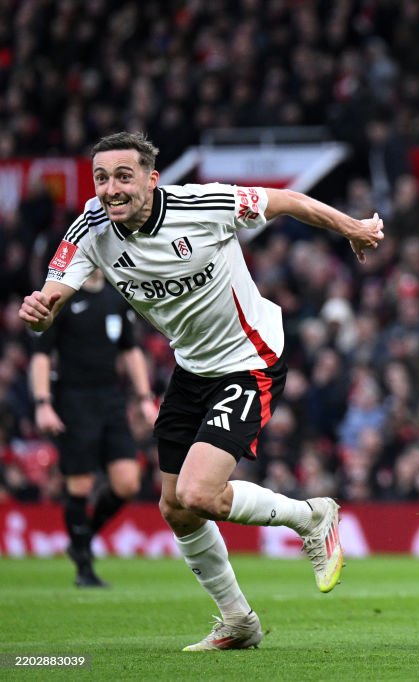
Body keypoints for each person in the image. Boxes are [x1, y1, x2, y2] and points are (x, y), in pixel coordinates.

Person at [20, 131, 384, 651]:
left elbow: (286, 201)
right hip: (192, 369)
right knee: (176, 507)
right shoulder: (90, 229)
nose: (111, 189)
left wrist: (353, 228)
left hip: (250, 359)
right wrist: (40, 311)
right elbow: (50, 301)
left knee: (198, 493)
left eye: (123, 176)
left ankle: (311, 516)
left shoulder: (203, 204)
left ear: (151, 179)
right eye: (101, 178)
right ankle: (238, 621)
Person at [30, 268, 158, 587]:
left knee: (127, 482)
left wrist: (144, 398)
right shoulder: (63, 297)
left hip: (111, 399)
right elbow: (42, 355)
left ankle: (82, 539)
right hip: (74, 400)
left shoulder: (116, 298)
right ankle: (84, 569)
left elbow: (130, 349)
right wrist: (43, 403)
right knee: (80, 485)